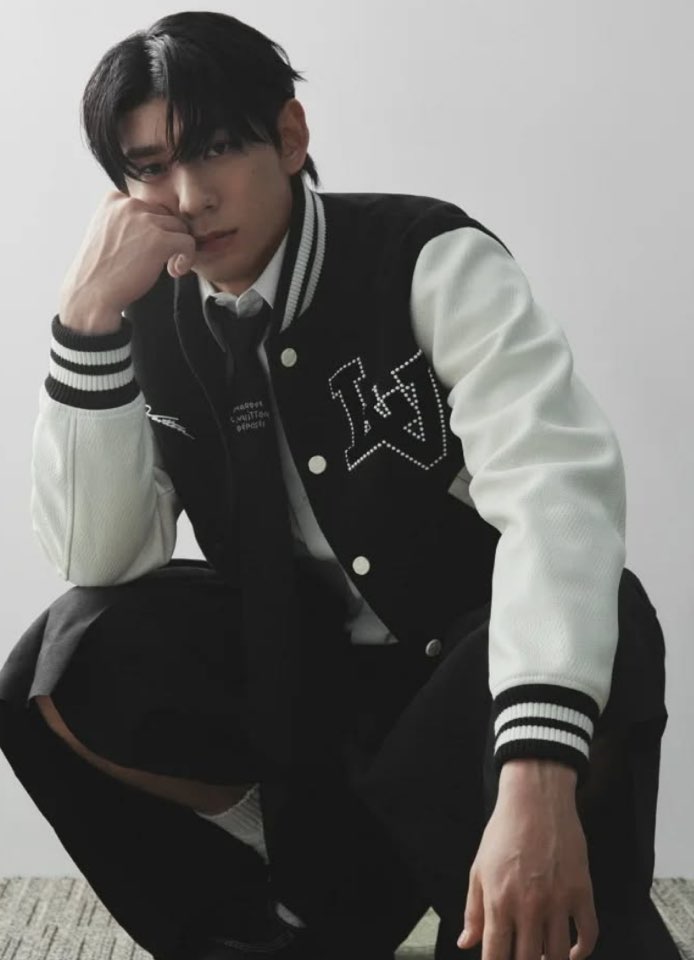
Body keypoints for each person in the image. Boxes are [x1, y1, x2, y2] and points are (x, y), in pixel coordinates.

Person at [0, 10, 681, 960]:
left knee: (602, 622)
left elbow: (557, 494)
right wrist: (85, 322)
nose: (189, 196)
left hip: (479, 679)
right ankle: (283, 910)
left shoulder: (426, 258)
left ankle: (476, 868)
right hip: (311, 696)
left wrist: (533, 771)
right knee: (62, 663)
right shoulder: (144, 310)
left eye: (217, 148)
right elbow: (99, 555)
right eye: (150, 167)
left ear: (290, 136)